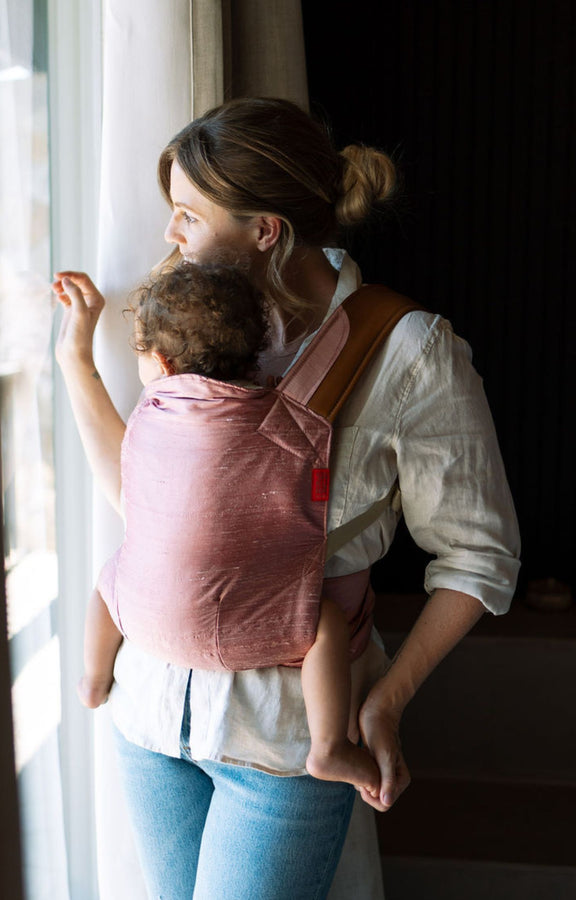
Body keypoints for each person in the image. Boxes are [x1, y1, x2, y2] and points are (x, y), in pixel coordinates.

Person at [53, 97, 520, 900]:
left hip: (283, 741)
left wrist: (385, 703)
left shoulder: (407, 353)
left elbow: (480, 558)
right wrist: (77, 363)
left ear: (265, 231)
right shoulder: (185, 323)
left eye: (187, 215)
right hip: (150, 716)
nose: (170, 235)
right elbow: (145, 499)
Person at [70, 260, 381, 794]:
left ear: (162, 364)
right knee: (328, 621)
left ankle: (95, 680)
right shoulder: (290, 422)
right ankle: (329, 745)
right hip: (263, 634)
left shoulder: (149, 418)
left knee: (108, 576)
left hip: (147, 628)